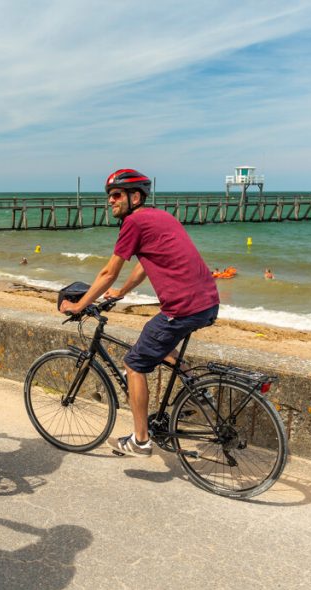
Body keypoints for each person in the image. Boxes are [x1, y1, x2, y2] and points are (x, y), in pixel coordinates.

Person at [60, 169, 219, 457]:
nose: (111, 201)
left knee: (134, 364)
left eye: (117, 195)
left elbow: (108, 272)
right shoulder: (161, 217)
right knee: (157, 346)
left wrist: (79, 305)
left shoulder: (133, 223)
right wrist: (123, 292)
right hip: (207, 302)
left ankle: (141, 440)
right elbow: (146, 263)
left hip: (182, 307)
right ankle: (200, 395)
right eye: (109, 196)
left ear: (135, 196)